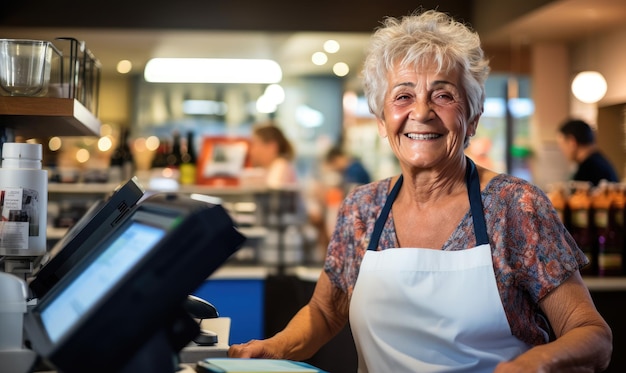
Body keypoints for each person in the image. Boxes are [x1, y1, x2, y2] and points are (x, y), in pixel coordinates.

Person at [229, 9, 612, 372]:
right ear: (382, 120)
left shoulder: (515, 206)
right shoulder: (363, 208)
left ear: (473, 118)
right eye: (403, 96)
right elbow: (325, 312)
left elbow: (592, 334)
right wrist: (274, 347)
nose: (422, 112)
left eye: (444, 95)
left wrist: (535, 364)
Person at [557, 118, 619, 186]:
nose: (562, 150)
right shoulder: (599, 161)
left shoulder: (588, 170)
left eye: (562, 145)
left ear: (572, 142)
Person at [248, 121, 298, 188]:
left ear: (272, 147)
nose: (252, 151)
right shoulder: (270, 169)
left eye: (255, 145)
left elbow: (271, 194)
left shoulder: (280, 166)